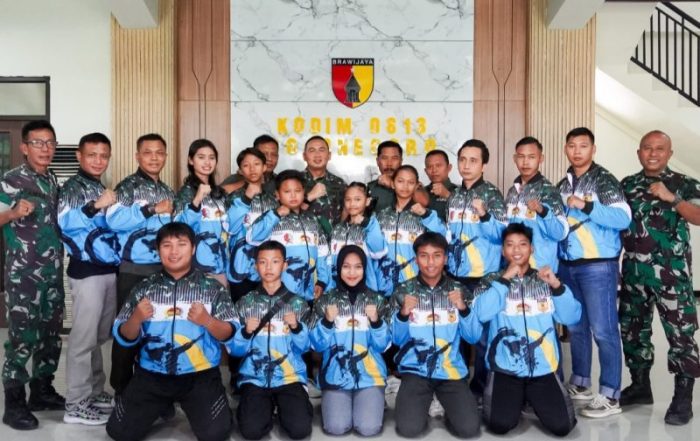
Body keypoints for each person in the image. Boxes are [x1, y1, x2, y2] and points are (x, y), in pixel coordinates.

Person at [105, 222, 237, 441]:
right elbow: (125, 337)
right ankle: (161, 405)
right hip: (152, 375)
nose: (174, 251)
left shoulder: (213, 288)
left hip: (199, 375)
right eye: (167, 245)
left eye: (181, 244)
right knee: (119, 433)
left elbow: (231, 334)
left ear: (193, 249)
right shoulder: (144, 287)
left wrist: (207, 321)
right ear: (158, 250)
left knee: (215, 434)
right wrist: (136, 318)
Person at [619, 130, 700, 425]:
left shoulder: (684, 183)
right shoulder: (627, 185)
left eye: (659, 149)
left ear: (670, 153)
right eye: (647, 148)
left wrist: (673, 198)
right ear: (638, 152)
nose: (652, 154)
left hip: (671, 277)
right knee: (632, 332)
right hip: (633, 274)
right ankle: (640, 385)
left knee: (681, 336)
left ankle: (683, 398)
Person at [470, 223, 580, 436]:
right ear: (503, 251)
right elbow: (480, 314)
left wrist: (556, 286)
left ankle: (531, 397)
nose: (516, 250)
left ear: (532, 249)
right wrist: (504, 280)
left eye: (522, 244)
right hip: (506, 370)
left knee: (562, 427)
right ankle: (516, 398)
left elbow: (572, 317)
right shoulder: (491, 281)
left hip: (542, 369)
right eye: (510, 245)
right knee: (499, 425)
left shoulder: (545, 279)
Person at [556, 127, 631, 418]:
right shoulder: (563, 184)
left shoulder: (604, 180)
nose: (577, 151)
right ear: (565, 148)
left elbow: (622, 218)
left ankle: (610, 394)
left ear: (593, 149)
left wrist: (587, 205)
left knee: (603, 330)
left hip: (598, 266)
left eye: (583, 145)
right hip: (568, 266)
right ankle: (581, 382)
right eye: (572, 145)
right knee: (576, 327)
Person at [0, 120, 65, 430]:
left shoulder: (52, 180)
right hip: (23, 275)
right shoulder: (11, 180)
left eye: (50, 143)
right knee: (22, 337)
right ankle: (14, 404)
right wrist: (13, 213)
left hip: (52, 273)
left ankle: (42, 391)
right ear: (24, 147)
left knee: (50, 335)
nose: (45, 148)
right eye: (38, 143)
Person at [390, 232, 481, 438]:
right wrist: (403, 314)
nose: (430, 262)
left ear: (446, 258)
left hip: (450, 371)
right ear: (416, 259)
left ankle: (446, 403)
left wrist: (463, 309)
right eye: (424, 256)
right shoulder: (403, 291)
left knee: (468, 429)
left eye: (437, 255)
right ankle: (424, 398)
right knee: (409, 429)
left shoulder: (459, 290)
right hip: (416, 371)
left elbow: (473, 337)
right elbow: (396, 339)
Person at [106, 133, 175, 398]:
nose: (154, 157)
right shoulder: (128, 187)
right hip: (133, 270)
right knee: (128, 330)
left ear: (165, 156)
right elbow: (113, 220)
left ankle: (153, 391)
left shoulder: (167, 190)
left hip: (163, 271)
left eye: (159, 152)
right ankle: (122, 390)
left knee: (156, 331)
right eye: (148, 152)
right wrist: (150, 209)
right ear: (137, 156)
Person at [58, 132, 120, 425]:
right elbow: (64, 224)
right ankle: (76, 404)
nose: (98, 160)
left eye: (103, 155)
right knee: (83, 339)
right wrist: (95, 205)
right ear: (79, 156)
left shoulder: (98, 186)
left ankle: (94, 392)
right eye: (92, 155)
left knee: (97, 336)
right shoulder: (72, 188)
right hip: (86, 272)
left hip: (107, 270)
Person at [231, 240, 313, 440]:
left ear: (285, 265)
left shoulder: (298, 303)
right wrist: (245, 333)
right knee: (251, 431)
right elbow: (235, 351)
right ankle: (264, 407)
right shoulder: (245, 303)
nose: (269, 267)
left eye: (275, 262)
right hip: (255, 377)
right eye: (263, 262)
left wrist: (296, 327)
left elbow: (305, 348)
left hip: (289, 376)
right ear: (255, 266)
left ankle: (288, 405)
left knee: (300, 430)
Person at [445, 139, 507, 397]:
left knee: (482, 338)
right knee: (457, 333)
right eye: (462, 159)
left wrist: (484, 215)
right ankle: (457, 387)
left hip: (483, 277)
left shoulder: (492, 195)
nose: (466, 165)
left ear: (484, 165)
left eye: (473, 160)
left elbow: (502, 235)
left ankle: (480, 390)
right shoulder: (454, 196)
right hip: (455, 276)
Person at [310, 245, 390, 436]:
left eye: (358, 267)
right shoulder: (325, 300)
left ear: (364, 269)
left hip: (369, 376)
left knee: (368, 428)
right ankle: (335, 401)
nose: (352, 273)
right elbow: (316, 345)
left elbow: (383, 346)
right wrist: (327, 322)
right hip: (335, 375)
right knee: (336, 427)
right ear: (338, 268)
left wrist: (376, 322)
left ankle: (375, 398)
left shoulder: (377, 300)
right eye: (346, 266)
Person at [246, 170, 330, 302]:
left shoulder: (311, 219)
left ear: (304, 192)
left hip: (308, 292)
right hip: (278, 293)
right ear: (277, 194)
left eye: (297, 191)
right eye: (287, 191)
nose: (293, 195)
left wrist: (322, 281)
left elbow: (323, 252)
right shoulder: (272, 216)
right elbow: (252, 237)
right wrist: (276, 215)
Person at [376, 165, 446, 297]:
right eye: (400, 181)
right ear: (393, 184)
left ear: (416, 186)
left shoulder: (424, 214)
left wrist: (426, 215)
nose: (405, 186)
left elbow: (444, 235)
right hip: (384, 285)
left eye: (410, 182)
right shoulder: (381, 216)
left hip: (413, 285)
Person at [505, 136, 568, 272]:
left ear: (541, 158)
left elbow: (560, 233)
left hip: (540, 272)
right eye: (521, 157)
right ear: (514, 158)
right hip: (513, 270)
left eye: (531, 157)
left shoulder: (549, 191)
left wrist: (542, 210)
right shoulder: (512, 192)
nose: (525, 162)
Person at [174, 139, 228, 286]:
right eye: (201, 157)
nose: (207, 162)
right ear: (191, 160)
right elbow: (178, 228)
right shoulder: (186, 192)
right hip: (196, 268)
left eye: (212, 158)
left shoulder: (219, 194)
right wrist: (197, 200)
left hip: (220, 266)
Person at [327, 182, 387, 292]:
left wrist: (366, 224)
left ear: (367, 201)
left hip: (365, 292)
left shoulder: (372, 225)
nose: (352, 204)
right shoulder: (338, 229)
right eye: (348, 199)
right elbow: (330, 261)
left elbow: (379, 253)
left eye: (357, 199)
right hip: (338, 291)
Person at [302, 135, 347, 235]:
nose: (317, 154)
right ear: (304, 156)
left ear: (329, 155)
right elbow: (286, 213)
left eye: (321, 150)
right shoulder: (294, 182)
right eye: (312, 150)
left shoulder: (340, 184)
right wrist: (308, 197)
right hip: (302, 240)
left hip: (332, 241)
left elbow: (347, 214)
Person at [368, 140, 402, 213]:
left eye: (394, 158)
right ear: (377, 161)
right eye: (384, 158)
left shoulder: (412, 185)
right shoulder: (369, 188)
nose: (389, 164)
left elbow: (423, 201)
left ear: (401, 161)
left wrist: (392, 185)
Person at [424, 149, 457, 222]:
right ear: (426, 171)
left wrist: (448, 196)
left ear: (449, 167)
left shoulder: (460, 192)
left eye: (438, 165)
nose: (434, 170)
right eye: (430, 166)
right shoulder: (421, 193)